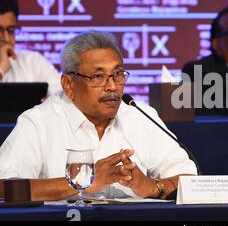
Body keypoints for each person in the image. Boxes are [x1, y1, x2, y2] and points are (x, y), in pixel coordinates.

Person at [0, 31, 197, 201]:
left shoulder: (140, 116)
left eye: (118, 74)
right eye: (98, 76)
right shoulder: (38, 123)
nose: (112, 86)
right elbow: (4, 188)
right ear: (68, 85)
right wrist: (84, 183)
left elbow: (190, 181)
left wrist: (151, 187)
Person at [0, 0, 61, 95]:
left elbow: (63, 94)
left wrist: (47, 104)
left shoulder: (32, 61)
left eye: (11, 30)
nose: (6, 38)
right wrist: (1, 69)